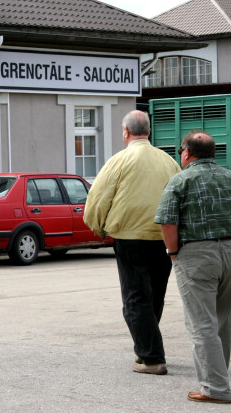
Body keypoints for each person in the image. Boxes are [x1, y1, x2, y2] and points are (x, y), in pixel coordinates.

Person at [83, 110, 181, 375]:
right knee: (155, 296)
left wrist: (97, 227)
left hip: (130, 238)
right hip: (164, 237)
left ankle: (152, 357)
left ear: (125, 132)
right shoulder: (168, 161)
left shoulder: (119, 161)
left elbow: (98, 198)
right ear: (149, 131)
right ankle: (144, 349)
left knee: (135, 298)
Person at [155, 131, 231, 403]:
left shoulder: (179, 180)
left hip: (197, 254)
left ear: (186, 152)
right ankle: (219, 379)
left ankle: (216, 389)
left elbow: (167, 221)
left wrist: (173, 253)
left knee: (202, 325)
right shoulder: (229, 176)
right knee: (224, 320)